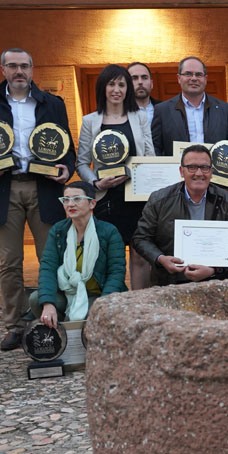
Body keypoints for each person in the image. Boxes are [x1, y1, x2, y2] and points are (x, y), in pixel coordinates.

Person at [0, 48, 74, 351]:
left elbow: (67, 148)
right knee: (9, 262)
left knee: (52, 259)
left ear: (32, 69)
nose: (19, 71)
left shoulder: (52, 103)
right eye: (13, 66)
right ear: (3, 70)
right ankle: (14, 325)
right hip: (3, 188)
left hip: (43, 188)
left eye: (24, 66)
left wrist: (66, 169)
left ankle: (55, 317)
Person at [76, 64, 156, 290]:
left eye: (121, 84)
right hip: (107, 197)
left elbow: (149, 155)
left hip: (138, 197)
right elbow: (82, 162)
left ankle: (140, 306)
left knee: (140, 255)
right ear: (103, 87)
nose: (116, 89)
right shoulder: (90, 121)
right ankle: (115, 307)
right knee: (113, 258)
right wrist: (95, 182)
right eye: (111, 84)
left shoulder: (139, 118)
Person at [133, 144, 228, 285]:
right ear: (181, 171)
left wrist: (213, 269)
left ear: (212, 172)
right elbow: (141, 238)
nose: (199, 173)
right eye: (192, 167)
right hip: (173, 271)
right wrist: (161, 259)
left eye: (205, 168)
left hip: (211, 270)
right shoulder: (159, 199)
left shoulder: (227, 199)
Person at [31, 180, 127, 328]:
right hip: (68, 292)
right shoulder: (58, 231)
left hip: (99, 295)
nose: (70, 204)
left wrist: (102, 305)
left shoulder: (109, 232)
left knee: (91, 315)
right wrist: (48, 303)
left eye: (77, 199)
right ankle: (62, 334)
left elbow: (116, 272)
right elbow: (48, 267)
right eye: (66, 199)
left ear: (92, 204)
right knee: (36, 299)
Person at [150, 56, 228, 156]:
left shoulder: (224, 109)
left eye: (199, 74)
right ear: (179, 78)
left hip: (214, 170)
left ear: (205, 79)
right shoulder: (162, 110)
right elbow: (155, 147)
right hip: (177, 170)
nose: (193, 78)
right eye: (188, 74)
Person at [127, 62, 158, 129]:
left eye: (144, 78)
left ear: (151, 84)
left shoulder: (166, 109)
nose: (140, 82)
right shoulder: (120, 111)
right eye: (134, 78)